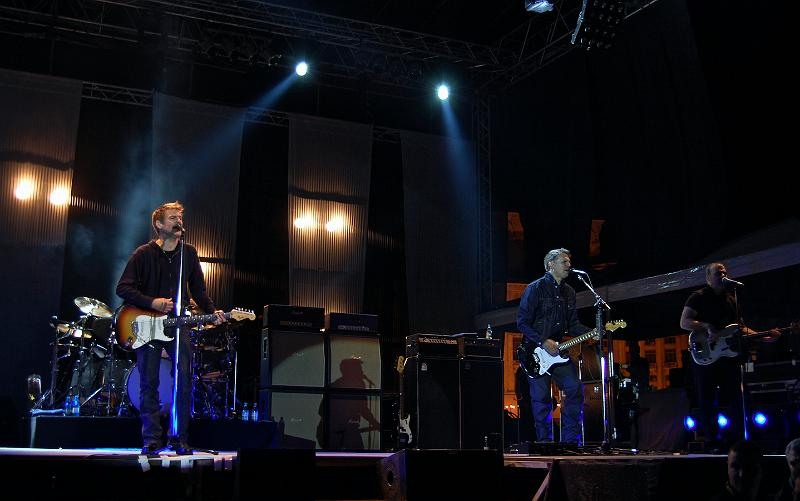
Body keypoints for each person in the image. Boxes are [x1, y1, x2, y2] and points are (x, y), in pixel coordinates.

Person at [116, 201, 225, 455]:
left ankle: (179, 438)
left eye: (180, 218)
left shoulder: (189, 253)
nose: (179, 221)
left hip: (177, 325)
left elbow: (198, 290)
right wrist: (152, 302)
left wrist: (213, 311)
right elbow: (123, 288)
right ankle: (151, 439)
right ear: (159, 224)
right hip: (147, 326)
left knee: (184, 381)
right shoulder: (143, 254)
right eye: (173, 218)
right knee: (149, 382)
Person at [679, 262, 778, 452]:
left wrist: (763, 336)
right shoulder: (698, 297)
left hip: (727, 355)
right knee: (707, 398)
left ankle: (736, 441)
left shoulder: (731, 299)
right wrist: (706, 326)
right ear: (708, 278)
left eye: (724, 272)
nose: (722, 275)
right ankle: (712, 441)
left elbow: (739, 328)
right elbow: (684, 322)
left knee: (736, 396)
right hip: (706, 354)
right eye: (718, 273)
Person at [517, 248, 592, 444]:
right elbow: (522, 322)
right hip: (535, 352)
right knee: (541, 399)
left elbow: (573, 324)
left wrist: (593, 331)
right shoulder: (535, 288)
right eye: (564, 262)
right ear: (550, 264)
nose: (569, 265)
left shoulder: (569, 292)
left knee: (574, 387)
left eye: (569, 262)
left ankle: (571, 442)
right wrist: (542, 340)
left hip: (558, 352)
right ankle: (545, 443)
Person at [317, 358, 380, 450]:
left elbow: (362, 408)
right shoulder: (337, 386)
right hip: (334, 432)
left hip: (345, 430)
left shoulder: (358, 384)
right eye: (358, 368)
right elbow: (322, 411)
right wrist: (375, 423)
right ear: (350, 371)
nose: (361, 371)